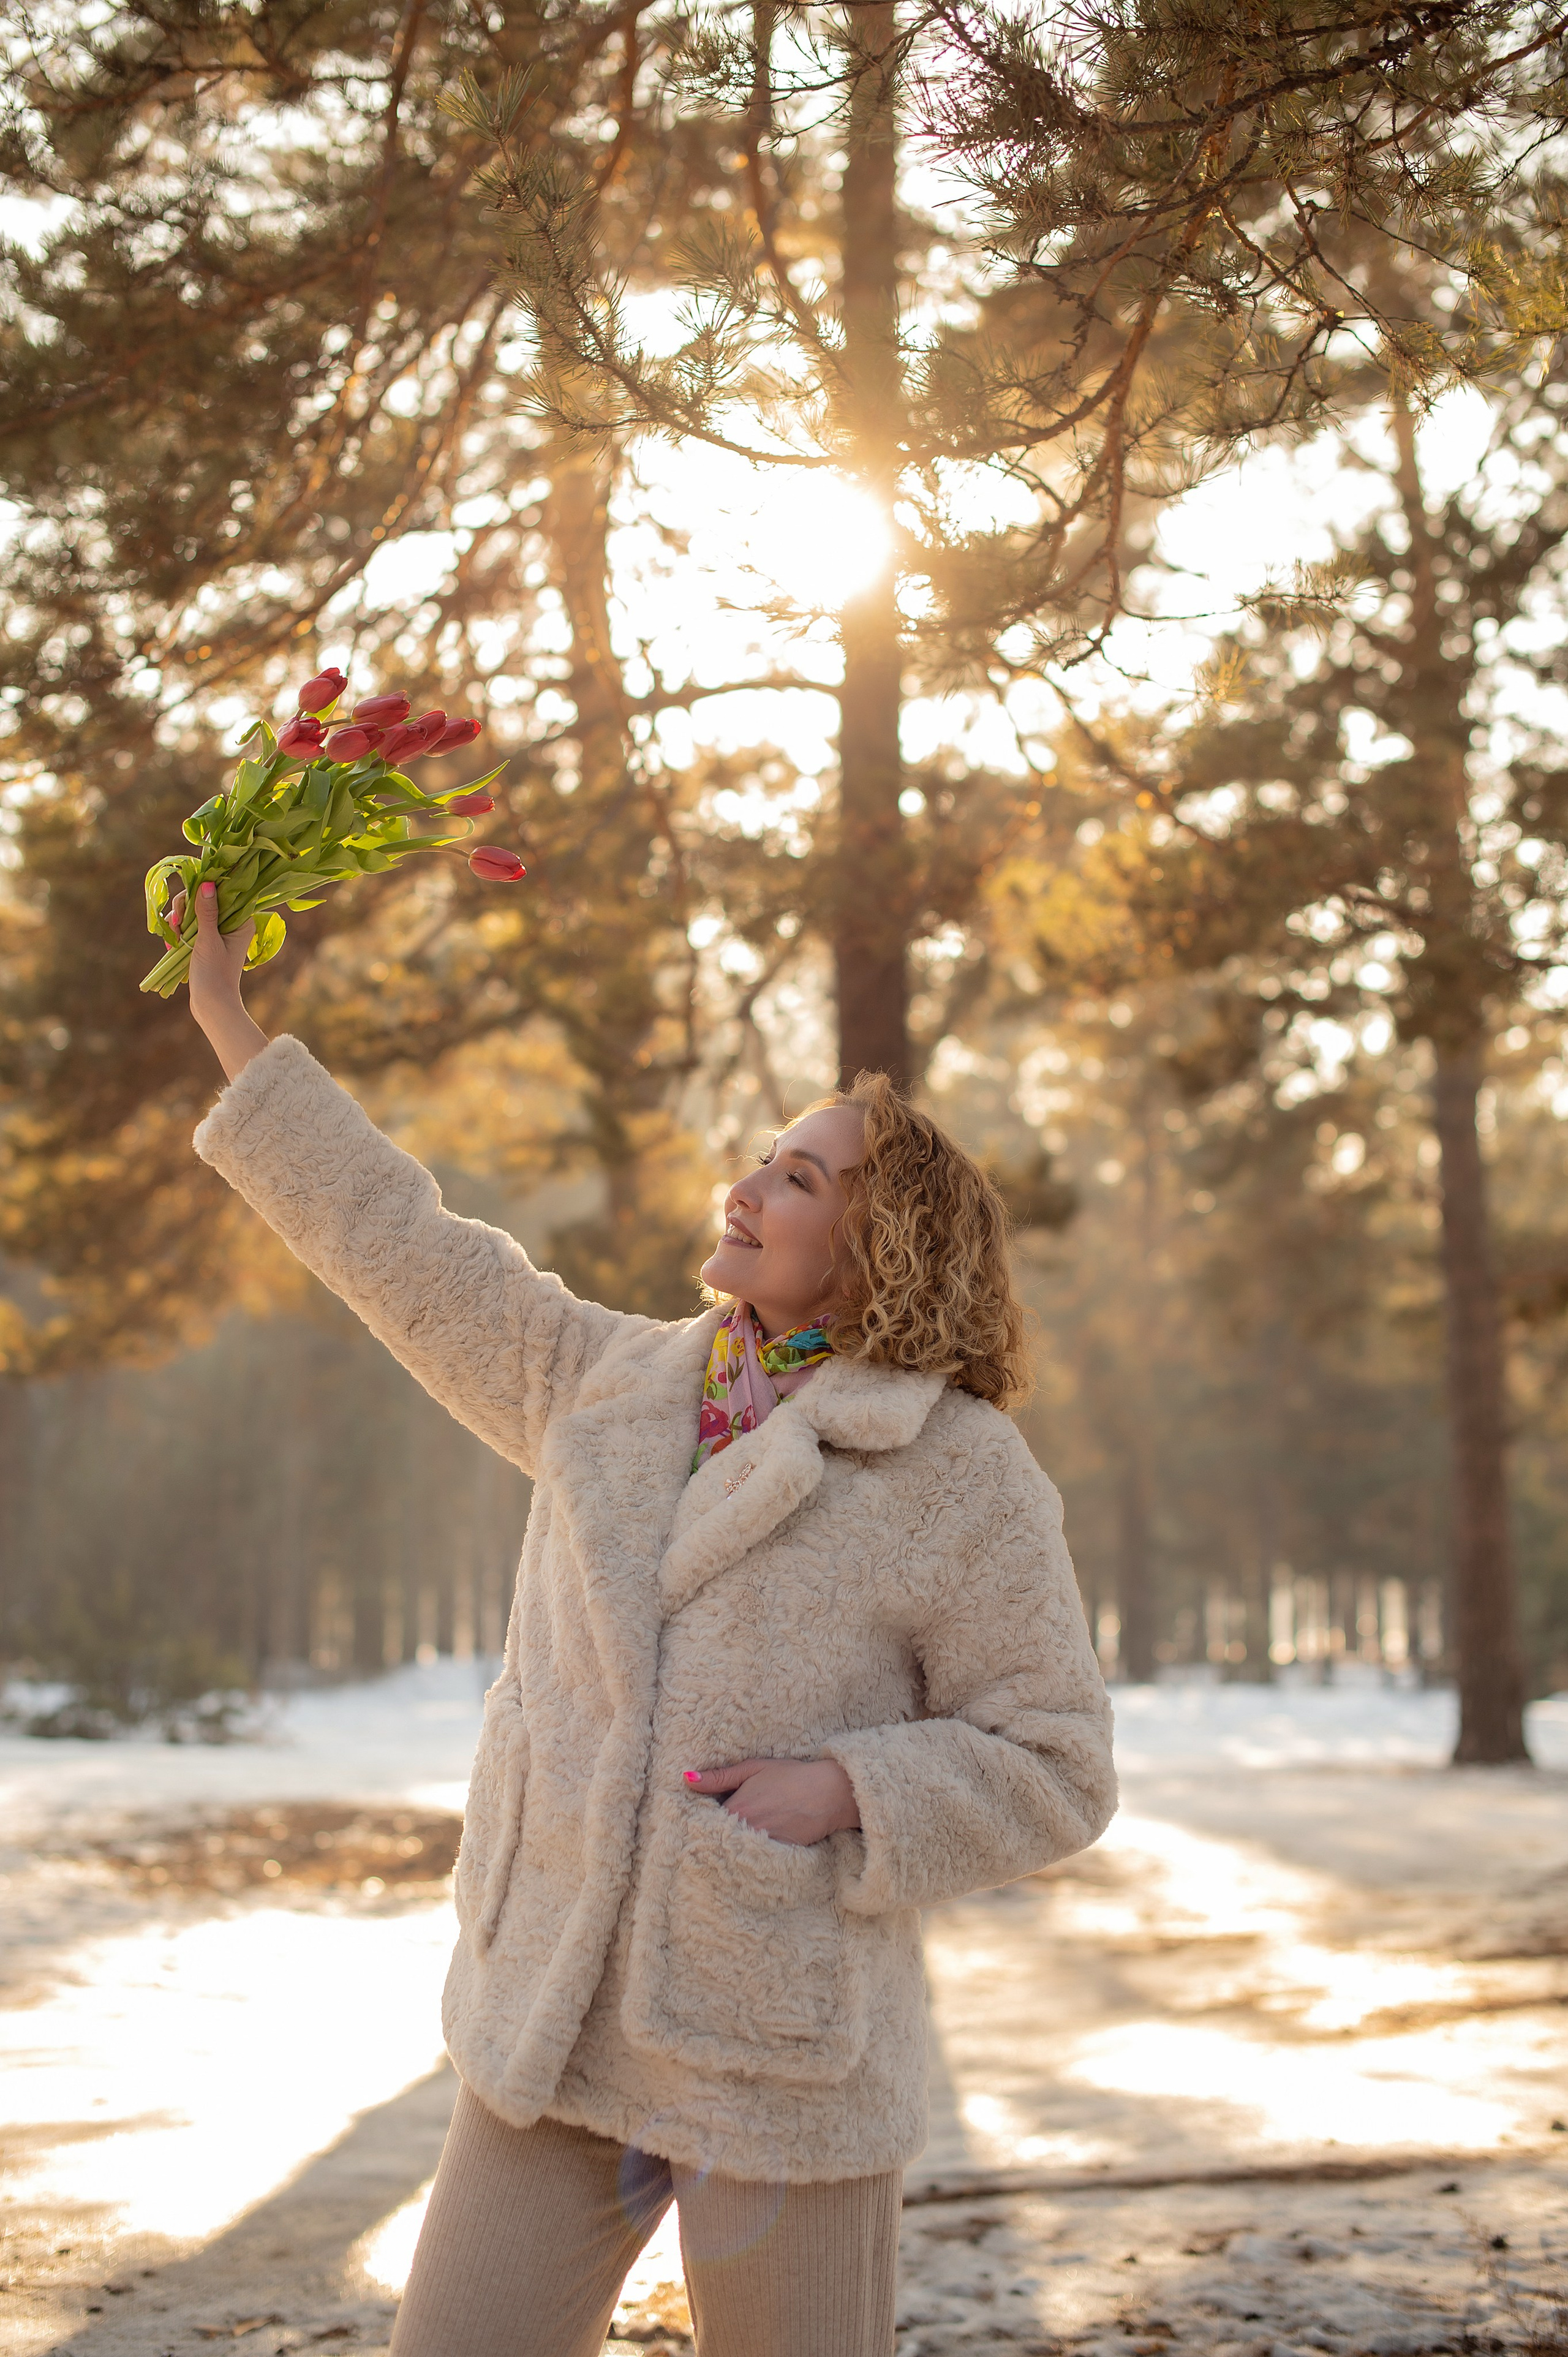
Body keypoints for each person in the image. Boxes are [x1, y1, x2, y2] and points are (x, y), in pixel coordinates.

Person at [176, 876, 1116, 2357]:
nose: (745, 1186)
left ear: (888, 1242)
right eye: (758, 1158)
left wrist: (848, 1790)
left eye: (799, 1178)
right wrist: (228, 1018)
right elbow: (396, 1242)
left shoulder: (956, 1469)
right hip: (546, 2019)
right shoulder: (599, 1383)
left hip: (779, 2051)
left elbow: (1056, 1760)